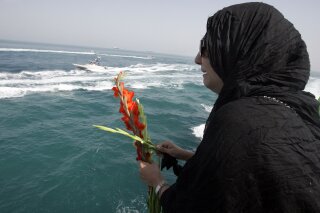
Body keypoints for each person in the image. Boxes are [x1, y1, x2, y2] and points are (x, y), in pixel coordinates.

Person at [139, 2, 320, 212]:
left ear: (238, 52)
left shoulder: (240, 119)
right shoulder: (295, 109)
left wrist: (157, 182)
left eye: (206, 48)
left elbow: (199, 207)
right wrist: (187, 155)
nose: (197, 59)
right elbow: (253, 171)